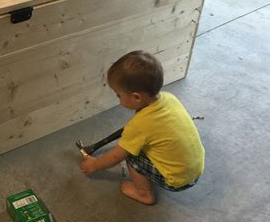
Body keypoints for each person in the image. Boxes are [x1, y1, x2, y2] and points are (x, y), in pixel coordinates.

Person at [80, 50, 204, 205]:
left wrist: (94, 165)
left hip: (177, 180)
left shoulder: (139, 126)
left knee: (132, 155)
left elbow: (115, 157)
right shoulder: (169, 98)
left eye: (119, 95)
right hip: (195, 169)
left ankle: (144, 193)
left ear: (137, 97)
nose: (118, 98)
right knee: (143, 144)